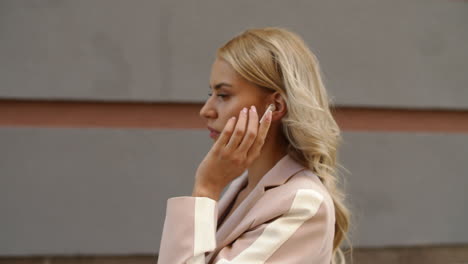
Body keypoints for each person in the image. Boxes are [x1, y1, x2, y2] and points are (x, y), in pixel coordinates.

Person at [157, 27, 350, 264]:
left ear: (276, 106)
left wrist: (206, 188)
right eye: (211, 93)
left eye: (223, 95)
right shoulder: (244, 185)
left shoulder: (301, 204)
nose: (206, 111)